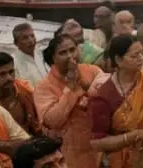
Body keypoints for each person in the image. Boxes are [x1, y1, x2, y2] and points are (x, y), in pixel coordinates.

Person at [87, 35, 143, 167]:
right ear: (118, 60)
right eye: (134, 56)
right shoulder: (104, 95)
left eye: (141, 53)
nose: (141, 58)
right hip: (124, 162)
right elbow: (97, 143)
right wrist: (135, 135)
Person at [33, 32, 101, 168]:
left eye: (72, 50)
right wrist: (70, 87)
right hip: (67, 156)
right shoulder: (43, 87)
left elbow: (109, 99)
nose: (70, 56)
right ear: (53, 57)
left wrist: (84, 85)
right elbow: (52, 121)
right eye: (63, 52)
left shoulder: (93, 71)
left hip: (98, 151)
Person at [0, 52, 44, 137]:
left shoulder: (27, 91)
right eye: (2, 74)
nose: (9, 78)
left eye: (11, 72)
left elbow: (40, 123)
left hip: (31, 143)